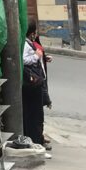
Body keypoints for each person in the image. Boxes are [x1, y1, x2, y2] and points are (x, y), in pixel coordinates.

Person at [22, 20, 52, 155]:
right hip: (32, 84)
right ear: (32, 33)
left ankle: (38, 141)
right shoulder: (25, 44)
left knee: (37, 115)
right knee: (35, 116)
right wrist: (36, 56)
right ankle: (36, 144)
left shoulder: (30, 43)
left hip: (38, 82)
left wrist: (43, 58)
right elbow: (24, 60)